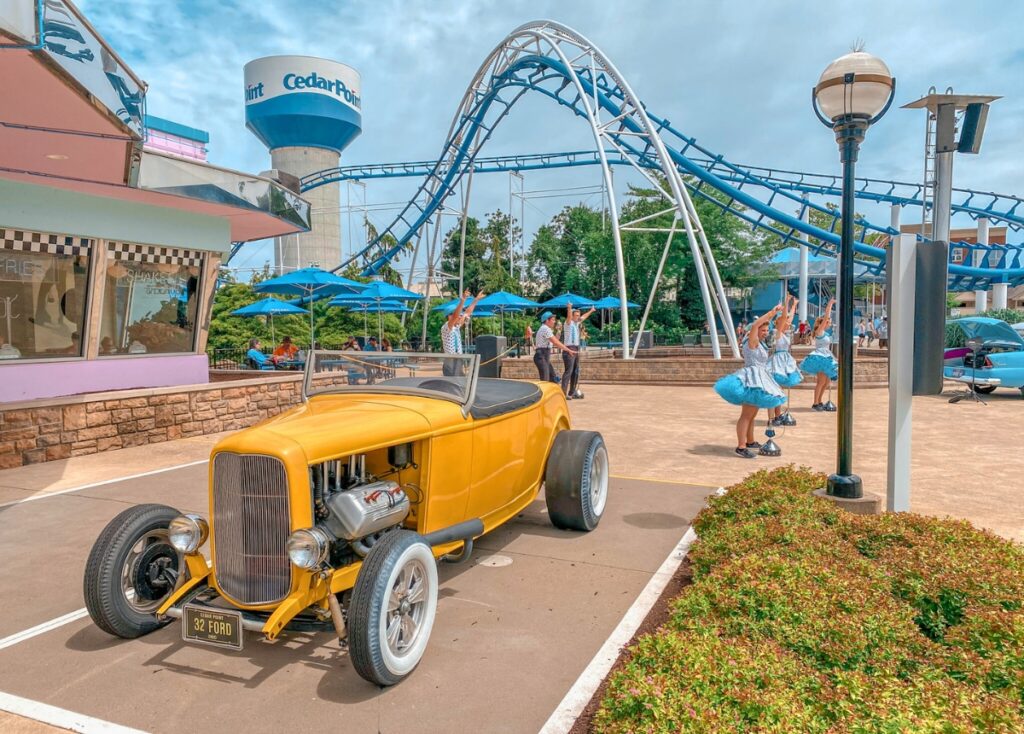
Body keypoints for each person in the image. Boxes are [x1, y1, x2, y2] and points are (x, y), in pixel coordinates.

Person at [713, 304, 787, 458]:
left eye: (766, 330)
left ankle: (750, 441)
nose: (765, 333)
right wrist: (772, 312)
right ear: (757, 330)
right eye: (763, 330)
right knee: (747, 415)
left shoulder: (761, 343)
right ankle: (741, 446)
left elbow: (776, 329)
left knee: (752, 414)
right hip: (752, 379)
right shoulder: (751, 340)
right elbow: (755, 324)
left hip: (760, 378)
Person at [799, 298, 839, 410]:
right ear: (823, 323)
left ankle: (820, 401)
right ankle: (815, 402)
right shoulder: (819, 331)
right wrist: (830, 305)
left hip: (826, 356)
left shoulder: (825, 333)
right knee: (821, 381)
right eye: (828, 322)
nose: (829, 323)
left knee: (826, 382)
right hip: (820, 357)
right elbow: (826, 316)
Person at [769, 295, 803, 424]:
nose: (789, 324)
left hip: (784, 360)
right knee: (776, 389)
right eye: (786, 323)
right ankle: (776, 416)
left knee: (780, 390)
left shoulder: (783, 333)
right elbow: (784, 318)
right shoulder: (777, 333)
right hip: (778, 360)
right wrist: (787, 302)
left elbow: (789, 318)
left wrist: (794, 305)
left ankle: (778, 415)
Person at [441, 289, 484, 376]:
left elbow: (467, 313)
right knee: (452, 383)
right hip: (451, 361)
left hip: (458, 359)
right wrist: (463, 300)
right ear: (449, 316)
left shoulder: (456, 327)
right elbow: (455, 316)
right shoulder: (446, 327)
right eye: (458, 314)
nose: (460, 316)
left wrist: (475, 300)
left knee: (460, 382)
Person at [561, 301, 596, 399]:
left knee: (575, 371)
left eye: (578, 315)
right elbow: (568, 317)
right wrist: (569, 308)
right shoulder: (568, 323)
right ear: (572, 316)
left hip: (576, 348)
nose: (578, 317)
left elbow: (584, 317)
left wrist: (591, 311)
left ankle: (572, 392)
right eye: (576, 315)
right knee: (569, 371)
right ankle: (563, 393)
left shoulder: (577, 323)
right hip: (569, 348)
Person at [534, 311, 569, 383]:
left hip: (543, 356)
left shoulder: (546, 329)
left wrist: (559, 331)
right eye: (553, 320)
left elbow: (555, 340)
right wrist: (568, 350)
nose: (554, 321)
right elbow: (556, 342)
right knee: (545, 380)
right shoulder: (545, 328)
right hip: (541, 355)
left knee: (552, 378)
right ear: (547, 320)